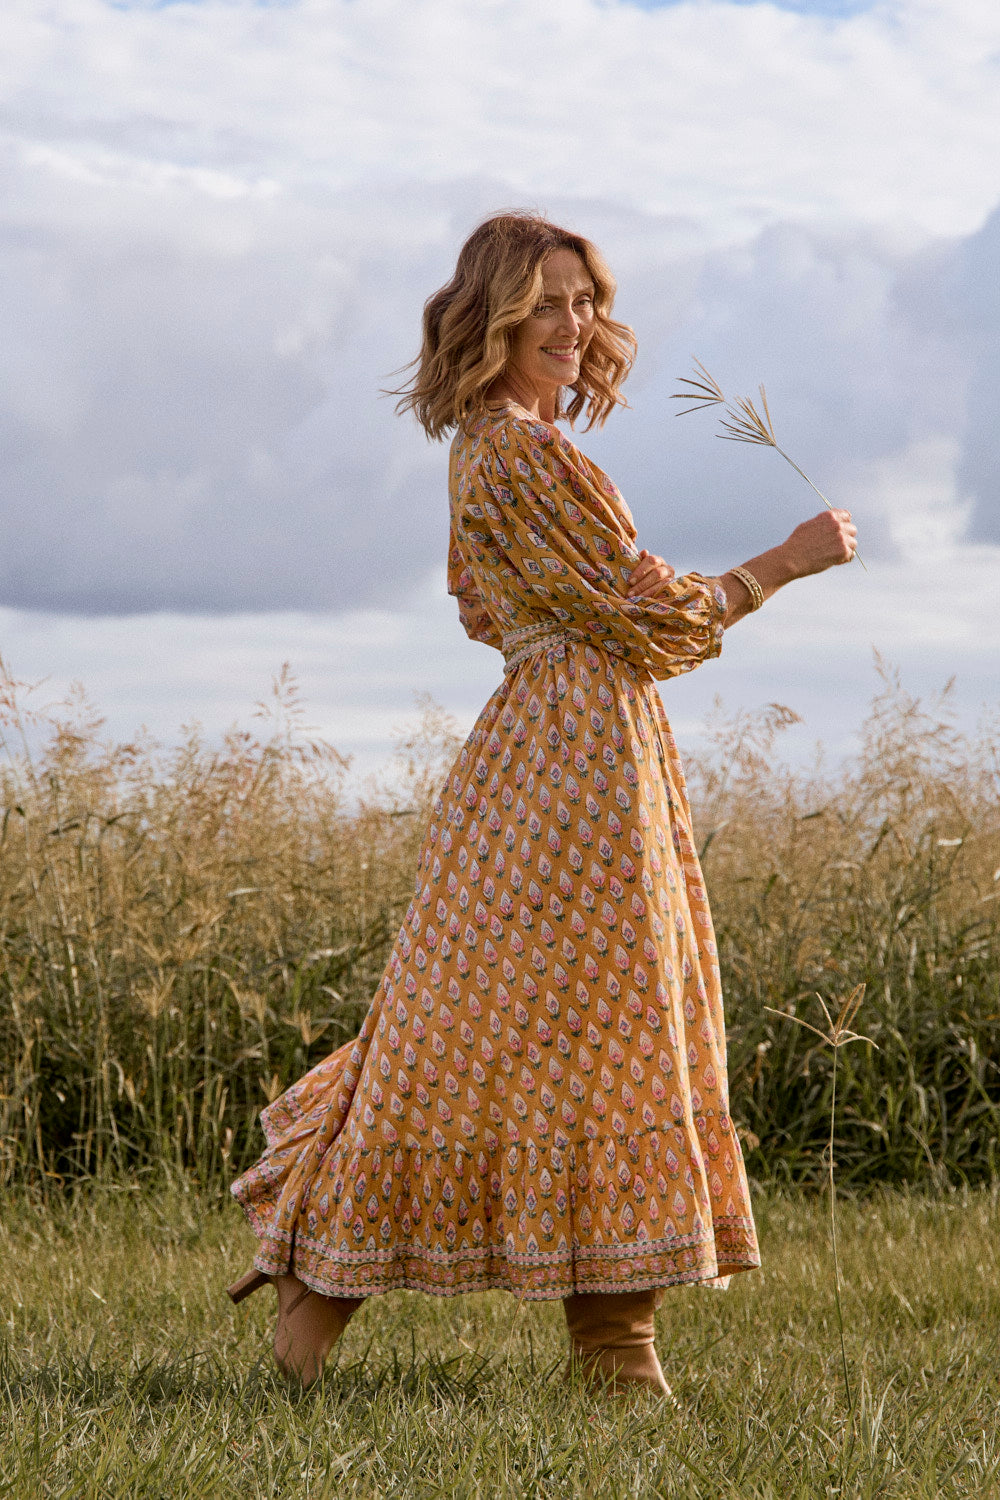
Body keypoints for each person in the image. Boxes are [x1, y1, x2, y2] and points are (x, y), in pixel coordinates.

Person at [228, 212, 858, 1396]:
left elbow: (496, 608)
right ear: (497, 318)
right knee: (596, 1032)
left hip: (542, 743)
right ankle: (589, 1346)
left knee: (486, 1027)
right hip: (578, 757)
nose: (574, 325)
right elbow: (654, 624)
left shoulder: (486, 447)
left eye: (585, 301)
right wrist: (784, 561)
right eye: (549, 303)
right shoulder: (526, 454)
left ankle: (560, 1336)